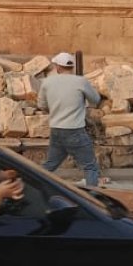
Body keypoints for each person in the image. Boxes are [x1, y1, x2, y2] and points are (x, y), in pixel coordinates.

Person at [39, 52, 108, 187]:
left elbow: (42, 105)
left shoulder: (47, 82)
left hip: (57, 130)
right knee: (90, 166)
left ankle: (31, 184)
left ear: (58, 67)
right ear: (72, 67)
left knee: (50, 164)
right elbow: (95, 99)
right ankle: (92, 198)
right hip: (75, 130)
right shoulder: (80, 81)